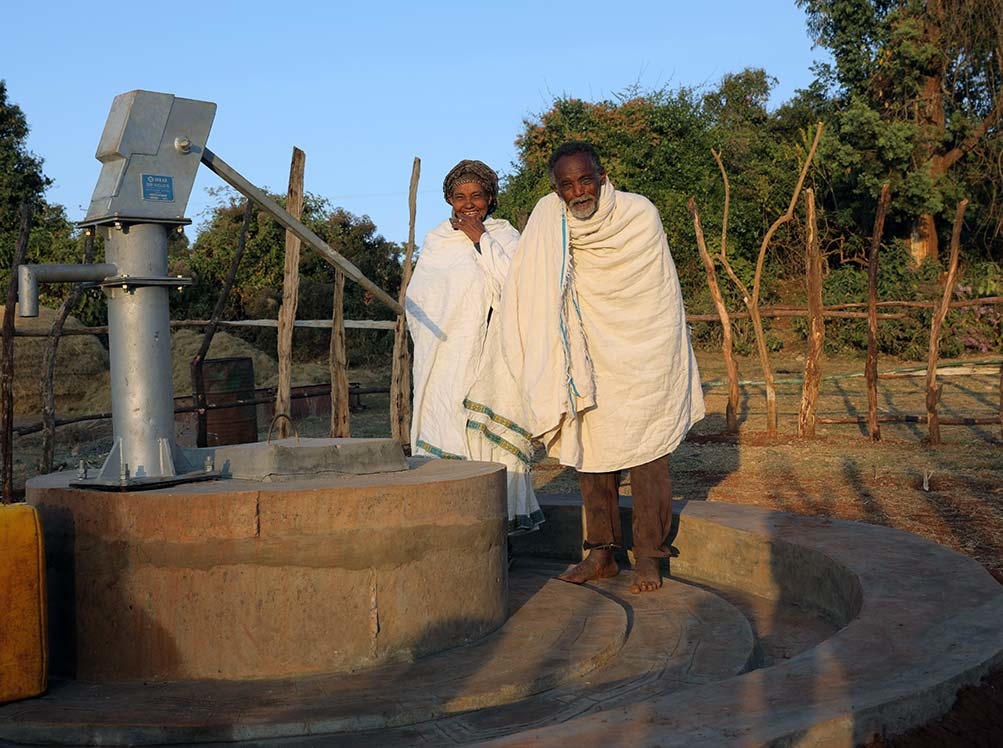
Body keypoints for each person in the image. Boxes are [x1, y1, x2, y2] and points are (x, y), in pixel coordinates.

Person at [466, 142, 704, 593]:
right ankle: (602, 555)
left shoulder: (639, 215)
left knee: (650, 459)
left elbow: (656, 297)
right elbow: (531, 284)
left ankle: (651, 556)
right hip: (586, 358)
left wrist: (642, 346)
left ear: (603, 174)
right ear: (557, 189)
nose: (577, 191)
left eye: (584, 179)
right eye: (566, 185)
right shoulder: (549, 221)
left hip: (644, 358)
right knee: (594, 457)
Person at [406, 159, 543, 533]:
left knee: (485, 438)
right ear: (449, 199)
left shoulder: (505, 235)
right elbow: (419, 299)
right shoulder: (437, 241)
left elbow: (518, 284)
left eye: (477, 196)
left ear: (490, 198)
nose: (469, 204)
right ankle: (450, 529)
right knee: (447, 425)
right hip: (447, 361)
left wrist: (480, 238)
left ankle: (497, 534)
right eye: (460, 197)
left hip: (493, 357)